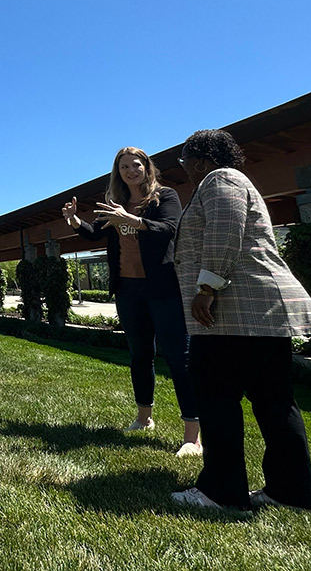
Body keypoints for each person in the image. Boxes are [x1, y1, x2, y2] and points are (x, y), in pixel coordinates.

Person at [170, 129, 311, 512]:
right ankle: (291, 492)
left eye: (185, 160)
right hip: (264, 315)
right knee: (274, 402)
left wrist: (207, 288)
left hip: (234, 313)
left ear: (201, 158)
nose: (185, 168)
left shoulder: (220, 179)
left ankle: (221, 492)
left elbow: (225, 231)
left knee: (216, 396)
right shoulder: (235, 180)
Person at [62, 147, 200, 457]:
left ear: (146, 167)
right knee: (140, 355)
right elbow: (94, 234)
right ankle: (144, 418)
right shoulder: (116, 203)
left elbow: (170, 229)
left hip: (163, 287)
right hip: (128, 290)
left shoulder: (165, 196)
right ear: (118, 172)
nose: (130, 171)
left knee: (179, 357)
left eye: (135, 165)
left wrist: (133, 220)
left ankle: (193, 436)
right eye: (123, 166)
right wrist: (73, 221)